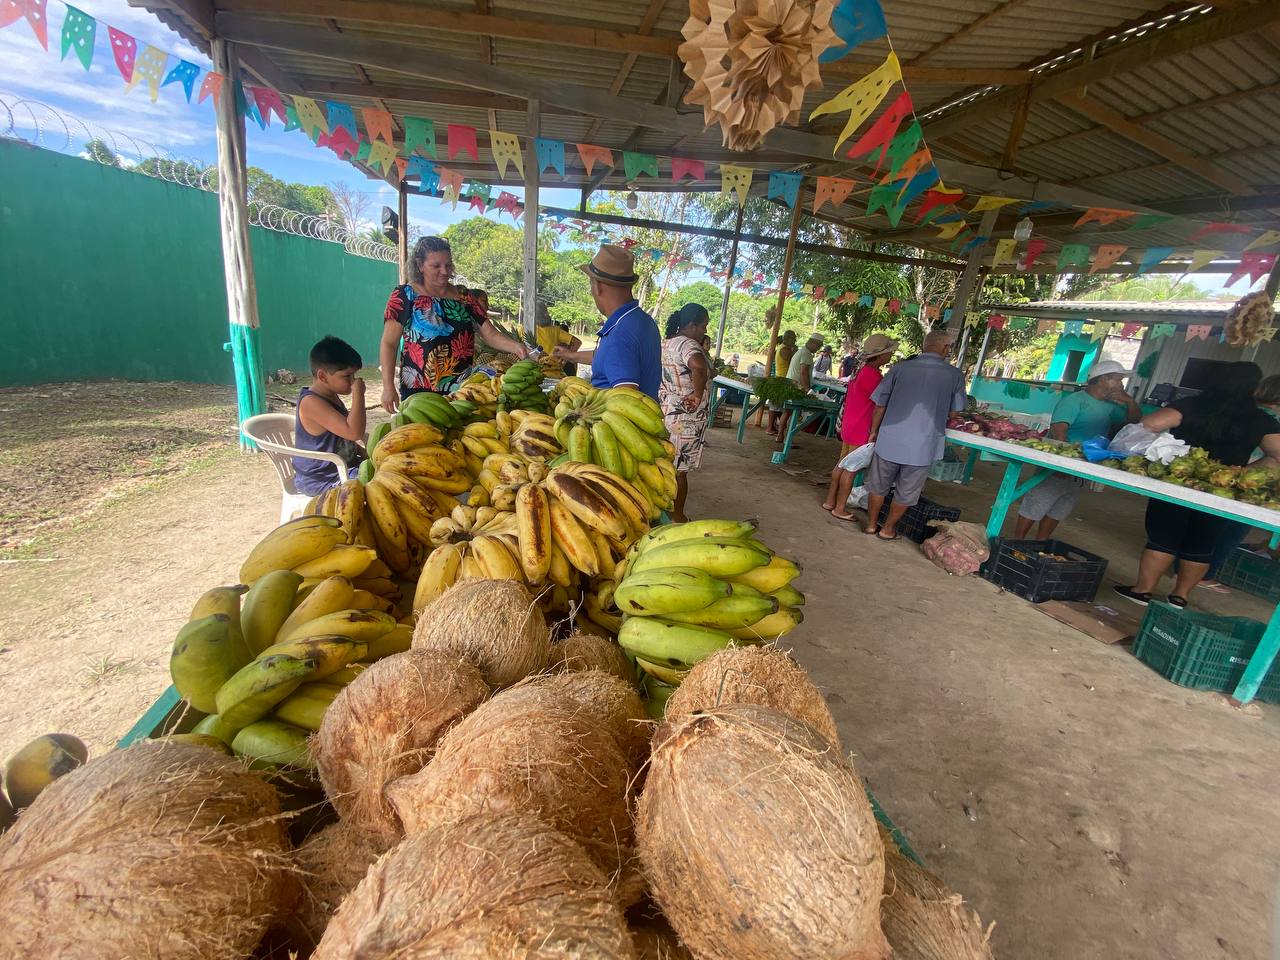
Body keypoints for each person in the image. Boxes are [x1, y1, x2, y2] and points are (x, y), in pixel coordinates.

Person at [1115, 362, 1280, 608]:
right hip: (1222, 490)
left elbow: (1151, 423)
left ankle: (1143, 591)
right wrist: (1242, 472)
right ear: (1253, 388)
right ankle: (1179, 596)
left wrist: (1164, 449)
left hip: (1179, 482)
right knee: (1203, 542)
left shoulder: (1193, 405)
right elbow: (1276, 456)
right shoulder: (1259, 419)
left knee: (1164, 536)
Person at [380, 236, 528, 412]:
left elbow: (490, 333)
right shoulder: (405, 295)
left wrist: (516, 347)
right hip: (418, 392)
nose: (444, 271)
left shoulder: (465, 297)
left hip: (463, 391)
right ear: (420, 266)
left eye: (448, 265)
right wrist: (388, 387)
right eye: (436, 266)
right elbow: (389, 343)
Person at [1013, 359, 1142, 540]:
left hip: (1085, 463)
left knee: (1062, 505)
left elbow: (1134, 422)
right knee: (1039, 501)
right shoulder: (1075, 401)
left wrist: (1130, 401)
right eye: (1118, 380)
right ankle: (1017, 542)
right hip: (1062, 461)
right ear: (1104, 379)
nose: (1121, 385)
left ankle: (1040, 544)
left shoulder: (1112, 407)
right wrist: (1061, 464)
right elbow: (1059, 431)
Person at [863, 329, 967, 541]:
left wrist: (874, 431)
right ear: (945, 349)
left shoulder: (898, 369)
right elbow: (955, 412)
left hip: (890, 438)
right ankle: (888, 529)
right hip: (924, 444)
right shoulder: (955, 375)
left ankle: (871, 525)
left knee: (878, 485)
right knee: (907, 491)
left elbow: (880, 404)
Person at [554, 244, 661, 399]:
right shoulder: (643, 321)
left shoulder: (620, 333)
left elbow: (627, 400)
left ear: (596, 286)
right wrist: (571, 355)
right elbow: (611, 359)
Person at [821, 334, 899, 520]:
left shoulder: (860, 370)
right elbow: (881, 403)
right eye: (889, 353)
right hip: (862, 426)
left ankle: (830, 500)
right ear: (880, 356)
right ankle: (840, 508)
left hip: (850, 423)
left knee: (842, 463)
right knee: (851, 469)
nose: (890, 356)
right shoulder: (872, 375)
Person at [294, 336, 368, 496]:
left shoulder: (330, 395)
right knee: (383, 483)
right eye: (347, 376)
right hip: (321, 479)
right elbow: (354, 432)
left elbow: (345, 435)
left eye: (354, 375)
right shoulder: (311, 403)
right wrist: (358, 394)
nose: (353, 381)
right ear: (322, 376)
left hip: (343, 467)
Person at [659, 303, 713, 522]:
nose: (704, 332)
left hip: (667, 411)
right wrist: (697, 395)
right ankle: (677, 516)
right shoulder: (688, 344)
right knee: (680, 470)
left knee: (666, 463)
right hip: (685, 417)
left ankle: (663, 509)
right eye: (703, 326)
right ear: (691, 325)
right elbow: (698, 367)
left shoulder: (666, 343)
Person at [774, 333, 823, 444]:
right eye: (818, 346)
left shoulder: (801, 351)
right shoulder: (806, 353)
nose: (818, 349)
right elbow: (804, 372)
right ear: (812, 343)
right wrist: (807, 389)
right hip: (797, 387)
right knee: (794, 413)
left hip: (790, 384)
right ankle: (787, 439)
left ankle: (780, 436)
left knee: (787, 412)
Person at [766, 329, 798, 436]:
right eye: (793, 338)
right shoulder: (785, 349)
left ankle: (774, 427)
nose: (795, 340)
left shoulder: (784, 348)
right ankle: (771, 427)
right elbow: (792, 362)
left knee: (776, 406)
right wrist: (795, 352)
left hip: (781, 379)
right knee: (776, 406)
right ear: (787, 338)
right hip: (782, 380)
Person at [533, 302, 581, 376]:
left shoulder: (524, 329)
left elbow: (577, 342)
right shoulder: (556, 330)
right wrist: (566, 358)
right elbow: (577, 342)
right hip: (550, 369)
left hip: (546, 369)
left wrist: (565, 358)